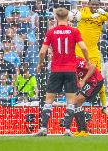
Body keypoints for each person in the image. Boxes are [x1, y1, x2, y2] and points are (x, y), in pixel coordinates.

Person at [35, 8, 90, 136]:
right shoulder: (74, 31)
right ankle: (67, 130)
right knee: (70, 101)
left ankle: (43, 129)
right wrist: (87, 60)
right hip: (71, 70)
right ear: (69, 17)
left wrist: (40, 64)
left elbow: (42, 51)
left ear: (55, 17)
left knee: (48, 100)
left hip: (56, 69)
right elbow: (83, 47)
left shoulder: (51, 32)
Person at [74, 0, 108, 117]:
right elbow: (79, 16)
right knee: (77, 77)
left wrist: (104, 13)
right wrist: (92, 15)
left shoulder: (101, 14)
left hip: (93, 52)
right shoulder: (84, 10)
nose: (95, 6)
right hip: (79, 51)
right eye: (93, 4)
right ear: (88, 3)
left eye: (97, 5)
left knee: (99, 78)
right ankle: (76, 103)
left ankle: (104, 106)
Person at [72, 56, 105, 136]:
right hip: (88, 82)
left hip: (95, 81)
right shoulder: (67, 64)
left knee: (76, 102)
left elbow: (93, 66)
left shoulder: (77, 60)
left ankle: (84, 130)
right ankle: (81, 130)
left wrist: (83, 80)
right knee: (75, 103)